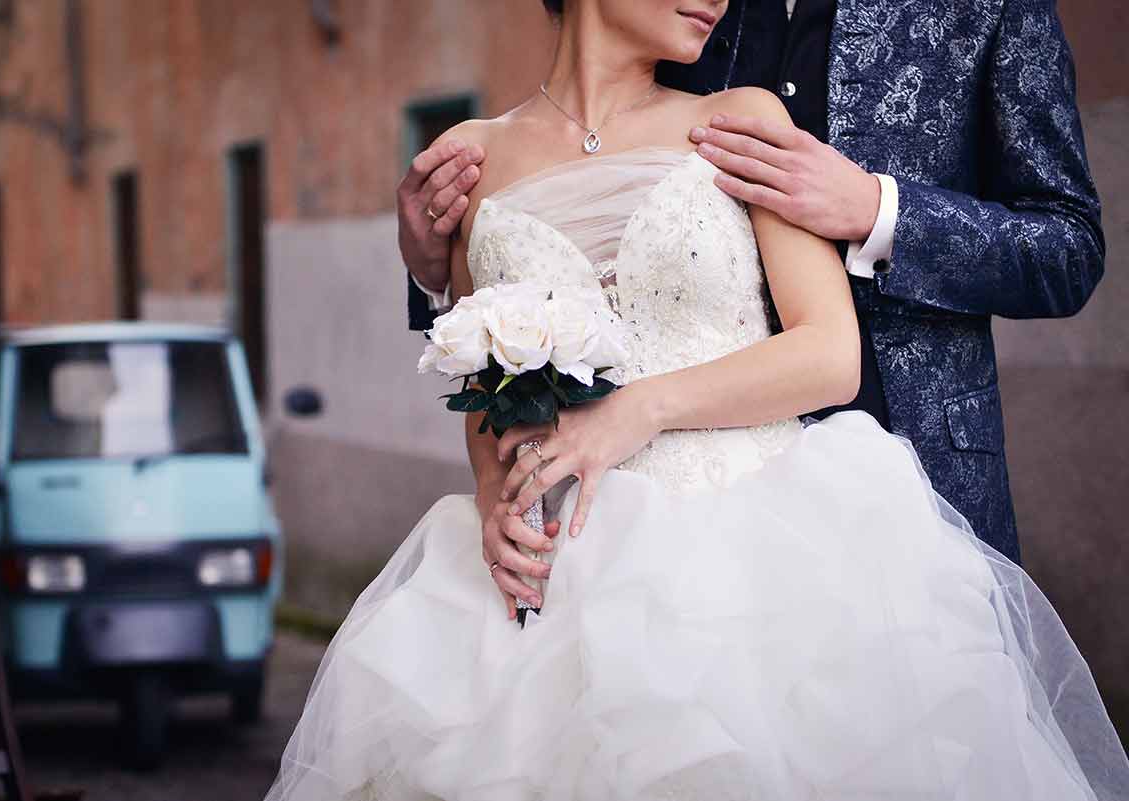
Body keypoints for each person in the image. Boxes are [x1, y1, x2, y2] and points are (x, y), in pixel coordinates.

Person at [263, 2, 1128, 798]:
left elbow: (1067, 244)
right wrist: (433, 277)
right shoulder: (672, 44)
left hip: (855, 524)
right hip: (591, 554)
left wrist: (874, 207)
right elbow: (516, 321)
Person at [398, 0, 1105, 568]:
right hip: (615, 520)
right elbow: (550, 257)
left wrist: (876, 210)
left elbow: (1069, 246)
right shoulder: (688, 33)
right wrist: (429, 263)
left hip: (907, 475)